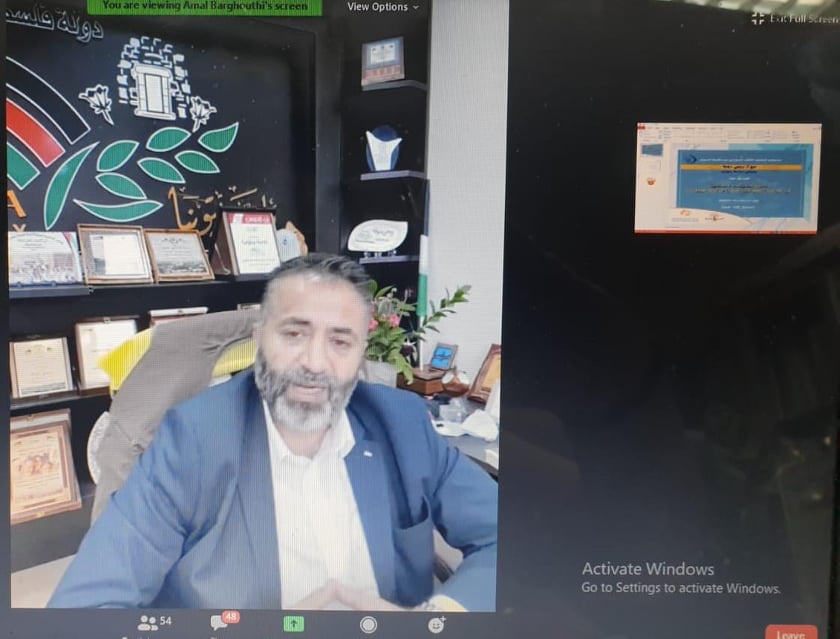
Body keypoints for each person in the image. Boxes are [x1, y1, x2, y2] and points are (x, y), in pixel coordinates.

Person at [48, 253, 497, 611]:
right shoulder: (193, 438)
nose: (314, 363)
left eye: (340, 341)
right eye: (294, 334)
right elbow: (83, 607)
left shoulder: (402, 423)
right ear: (260, 336)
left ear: (362, 351)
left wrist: (439, 617)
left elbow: (507, 536)